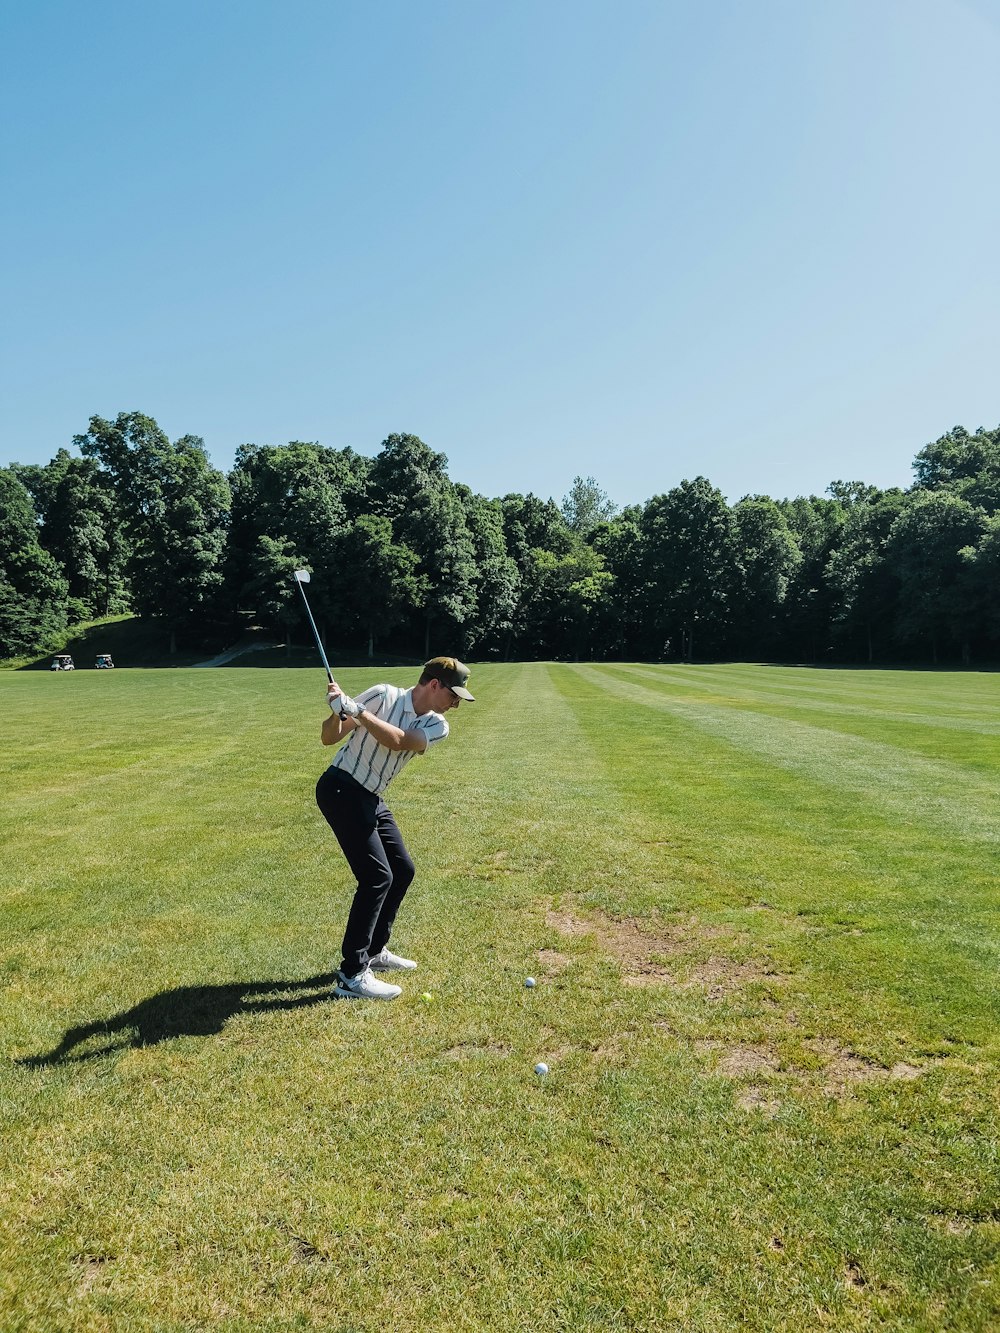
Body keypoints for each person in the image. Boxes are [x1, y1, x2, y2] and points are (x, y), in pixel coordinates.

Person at [315, 656, 475, 1000]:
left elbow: (400, 740)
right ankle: (352, 974)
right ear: (434, 684)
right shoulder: (382, 695)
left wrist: (358, 711)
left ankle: (374, 951)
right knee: (376, 877)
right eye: (454, 695)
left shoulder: (437, 724)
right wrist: (337, 710)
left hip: (370, 795)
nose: (456, 704)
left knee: (401, 870)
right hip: (341, 788)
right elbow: (329, 738)